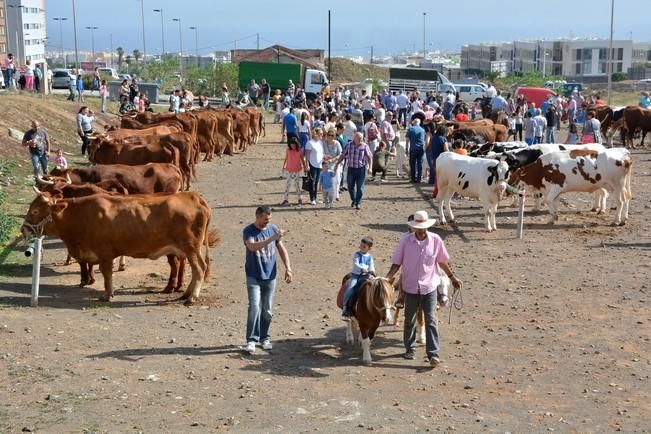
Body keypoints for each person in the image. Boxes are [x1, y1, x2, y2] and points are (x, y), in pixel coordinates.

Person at [385, 210, 462, 367]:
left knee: (431, 319)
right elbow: (396, 263)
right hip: (410, 287)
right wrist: (388, 278)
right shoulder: (405, 241)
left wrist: (452, 277)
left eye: (423, 228)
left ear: (427, 226)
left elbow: (442, 262)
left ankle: (433, 354)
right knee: (409, 320)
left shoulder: (436, 240)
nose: (420, 231)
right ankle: (410, 348)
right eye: (418, 228)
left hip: (429, 287)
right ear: (413, 228)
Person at [242, 206, 293, 354]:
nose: (267, 222)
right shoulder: (248, 231)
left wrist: (288, 268)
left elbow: (281, 249)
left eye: (269, 219)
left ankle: (264, 338)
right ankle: (251, 340)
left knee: (268, 310)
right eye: (265, 219)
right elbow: (252, 247)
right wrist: (272, 238)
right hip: (253, 275)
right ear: (257, 216)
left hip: (270, 276)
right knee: (254, 307)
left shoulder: (273, 229)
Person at [333, 132, 372, 210]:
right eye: (359, 139)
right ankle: (354, 199)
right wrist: (337, 164)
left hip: (361, 169)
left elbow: (370, 157)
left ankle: (358, 202)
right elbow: (343, 155)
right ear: (355, 138)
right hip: (351, 169)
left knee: (360, 188)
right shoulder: (349, 145)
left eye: (362, 138)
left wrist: (370, 167)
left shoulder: (365, 146)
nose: (361, 140)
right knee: (350, 187)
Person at [341, 237, 376, 320]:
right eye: (361, 245)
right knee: (350, 288)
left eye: (364, 246)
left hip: (366, 276)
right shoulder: (357, 254)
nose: (361, 247)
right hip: (357, 275)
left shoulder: (370, 257)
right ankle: (345, 307)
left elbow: (371, 265)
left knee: (375, 287)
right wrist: (362, 268)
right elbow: (356, 263)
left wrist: (372, 271)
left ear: (369, 248)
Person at [280, 137, 306, 206]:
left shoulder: (299, 150)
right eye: (291, 145)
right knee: (288, 185)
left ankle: (299, 199)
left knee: (297, 185)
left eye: (294, 145)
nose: (293, 146)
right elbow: (286, 158)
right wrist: (283, 166)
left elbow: (302, 160)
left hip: (297, 170)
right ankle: (286, 199)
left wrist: (305, 168)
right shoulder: (288, 150)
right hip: (289, 170)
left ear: (296, 144)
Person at [304, 128, 325, 205]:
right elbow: (307, 156)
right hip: (312, 164)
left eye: (322, 134)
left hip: (319, 165)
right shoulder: (310, 143)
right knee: (312, 182)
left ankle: (315, 198)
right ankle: (312, 198)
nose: (322, 135)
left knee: (316, 182)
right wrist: (307, 165)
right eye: (320, 134)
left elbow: (321, 154)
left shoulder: (320, 143)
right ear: (315, 134)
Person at [426, 125, 449, 192]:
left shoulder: (433, 138)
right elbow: (446, 150)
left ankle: (435, 187)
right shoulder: (443, 139)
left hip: (434, 158)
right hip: (442, 159)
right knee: (442, 174)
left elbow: (429, 147)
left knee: (436, 174)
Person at [406, 118, 426, 183]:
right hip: (420, 148)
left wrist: (406, 148)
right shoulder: (422, 130)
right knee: (419, 164)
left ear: (413, 122)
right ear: (419, 123)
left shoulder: (410, 129)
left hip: (413, 148)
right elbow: (424, 140)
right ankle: (419, 178)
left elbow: (407, 140)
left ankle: (413, 178)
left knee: (412, 164)